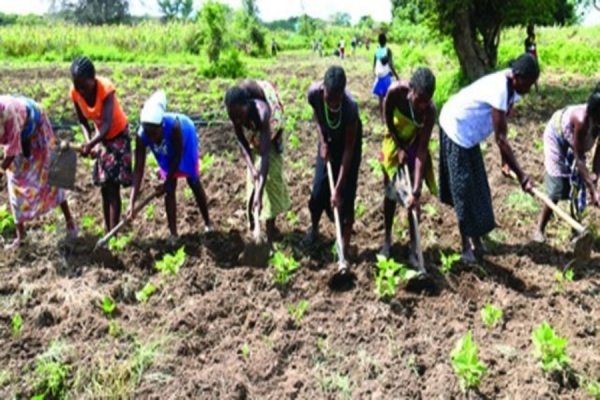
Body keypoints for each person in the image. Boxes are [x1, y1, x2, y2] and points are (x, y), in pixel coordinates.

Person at [438, 53, 540, 262]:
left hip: (470, 135)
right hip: (456, 128)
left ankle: (477, 240)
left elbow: (503, 125)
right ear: (517, 76)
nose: (529, 90)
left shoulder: (514, 88)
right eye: (528, 84)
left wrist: (505, 160)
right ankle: (466, 245)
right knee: (464, 189)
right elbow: (501, 139)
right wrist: (523, 177)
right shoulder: (500, 89)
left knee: (479, 187)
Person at [127, 91, 213, 244]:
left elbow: (178, 156)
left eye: (154, 133)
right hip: (165, 152)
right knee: (170, 190)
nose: (152, 137)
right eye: (148, 133)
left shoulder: (174, 128)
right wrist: (131, 203)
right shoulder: (142, 136)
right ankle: (173, 234)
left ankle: (208, 223)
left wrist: (166, 180)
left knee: (193, 181)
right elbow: (138, 169)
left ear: (161, 126)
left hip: (186, 141)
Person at [303, 66, 363, 270]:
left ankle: (343, 249)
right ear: (323, 91)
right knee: (319, 189)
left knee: (345, 195)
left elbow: (348, 149)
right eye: (329, 98)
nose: (333, 104)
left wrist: (337, 189)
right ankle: (314, 229)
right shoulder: (314, 94)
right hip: (327, 139)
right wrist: (322, 141)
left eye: (337, 100)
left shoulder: (350, 108)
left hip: (348, 147)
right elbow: (318, 117)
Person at [0, 95, 78, 249]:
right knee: (15, 179)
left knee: (52, 174)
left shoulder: (9, 114)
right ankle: (21, 236)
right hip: (18, 131)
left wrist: (1, 169)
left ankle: (70, 224)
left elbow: (11, 153)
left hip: (37, 125)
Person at [379, 68, 437, 266]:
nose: (422, 105)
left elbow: (422, 151)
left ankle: (414, 248)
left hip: (415, 146)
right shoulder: (395, 92)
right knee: (390, 193)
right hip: (394, 141)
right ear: (411, 90)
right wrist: (398, 144)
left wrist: (416, 189)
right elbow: (387, 118)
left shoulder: (430, 111)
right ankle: (387, 240)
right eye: (419, 99)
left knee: (413, 201)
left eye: (426, 101)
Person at [224, 80, 291, 252]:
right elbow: (241, 141)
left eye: (240, 116)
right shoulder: (235, 112)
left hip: (271, 132)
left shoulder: (263, 112)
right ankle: (255, 231)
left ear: (247, 105)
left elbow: (266, 156)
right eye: (234, 118)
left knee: (269, 181)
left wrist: (260, 193)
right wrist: (253, 169)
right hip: (254, 132)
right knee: (252, 184)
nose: (237, 120)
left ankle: (269, 239)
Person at [70, 56, 132, 234]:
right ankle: (108, 231)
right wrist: (88, 141)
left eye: (84, 85)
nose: (81, 90)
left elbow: (106, 124)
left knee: (113, 185)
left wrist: (91, 144)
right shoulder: (75, 93)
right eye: (77, 86)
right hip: (100, 138)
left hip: (118, 135)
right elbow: (83, 121)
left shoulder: (106, 89)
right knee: (104, 186)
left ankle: (113, 233)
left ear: (93, 78)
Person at [533, 83, 600, 242]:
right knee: (557, 188)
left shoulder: (598, 121)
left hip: (576, 146)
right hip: (557, 138)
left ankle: (576, 229)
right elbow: (579, 157)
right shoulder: (581, 119)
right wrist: (592, 188)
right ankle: (539, 229)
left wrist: (595, 175)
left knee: (579, 186)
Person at [373, 33, 400, 124]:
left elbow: (374, 65)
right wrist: (396, 76)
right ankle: (389, 118)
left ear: (379, 41)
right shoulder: (388, 50)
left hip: (379, 77)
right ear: (386, 41)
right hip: (386, 76)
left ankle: (382, 120)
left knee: (380, 100)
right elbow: (390, 64)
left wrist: (375, 75)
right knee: (388, 98)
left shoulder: (377, 51)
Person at [524, 24, 540, 94]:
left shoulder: (528, 40)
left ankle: (531, 89)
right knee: (533, 74)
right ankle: (536, 90)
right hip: (533, 58)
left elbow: (527, 50)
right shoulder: (531, 40)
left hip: (530, 58)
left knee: (530, 74)